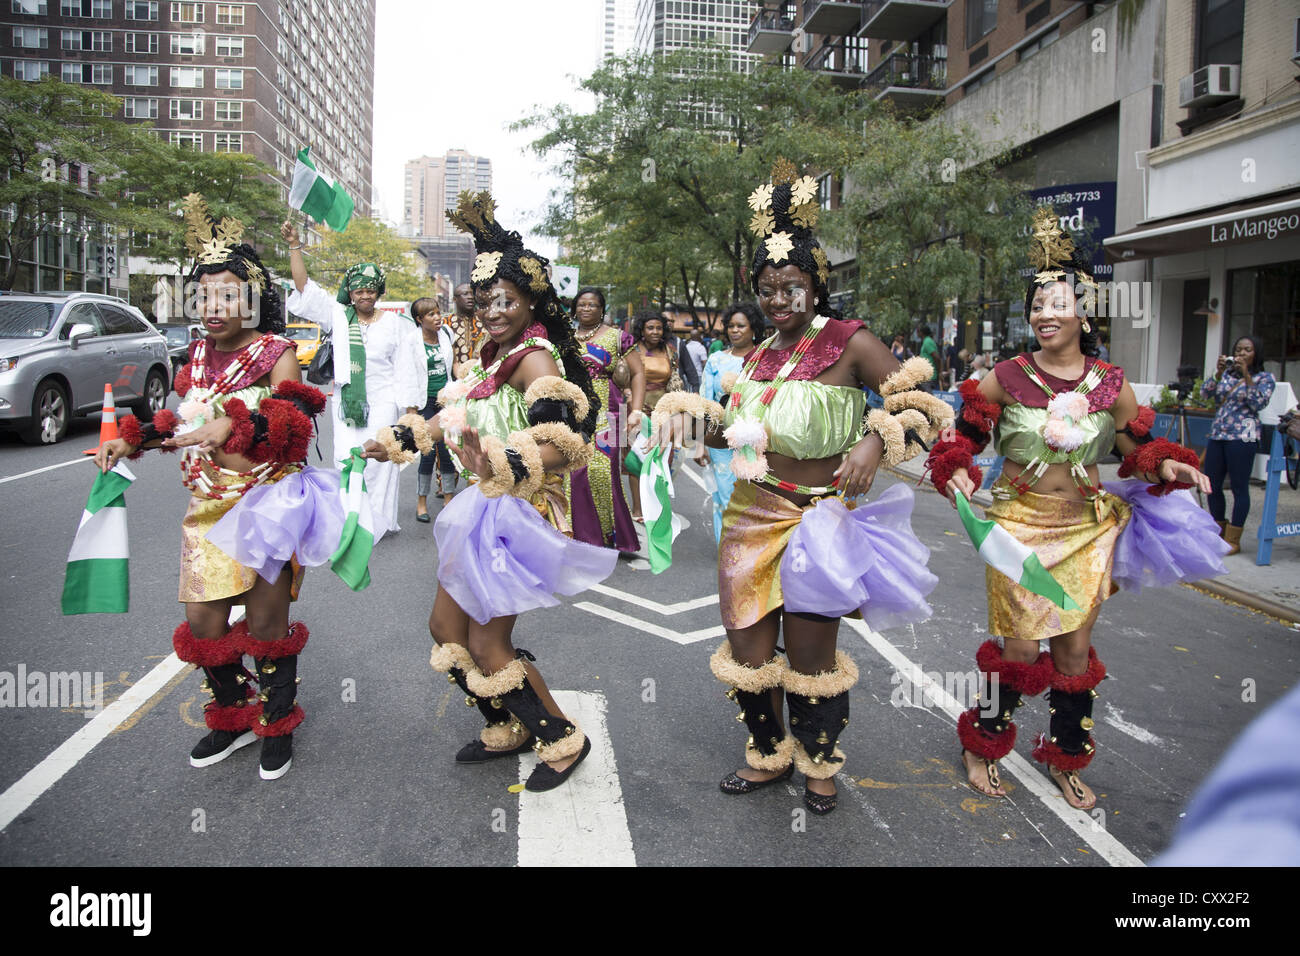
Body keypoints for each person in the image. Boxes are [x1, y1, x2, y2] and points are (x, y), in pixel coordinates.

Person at [673, 161, 952, 815]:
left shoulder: (850, 343)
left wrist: (874, 441)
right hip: (751, 513)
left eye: (791, 288)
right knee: (747, 651)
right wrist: (691, 424)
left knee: (809, 655)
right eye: (768, 289)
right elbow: (739, 438)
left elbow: (923, 409)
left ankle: (819, 762)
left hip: (818, 519)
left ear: (815, 286)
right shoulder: (757, 356)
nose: (778, 301)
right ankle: (767, 755)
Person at [927, 208, 1220, 811]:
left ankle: (1065, 758)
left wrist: (1170, 465)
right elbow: (965, 437)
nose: (1045, 314)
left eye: (1057, 303)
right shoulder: (1004, 377)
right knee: (1018, 649)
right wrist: (955, 463)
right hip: (1016, 526)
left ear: (1084, 311)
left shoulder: (1111, 383)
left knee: (1073, 654)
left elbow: (1137, 450)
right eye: (1036, 305)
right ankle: (982, 741)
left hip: (1087, 530)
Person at [362, 191, 615, 792]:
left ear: (532, 302)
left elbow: (566, 440)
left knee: (485, 637)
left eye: (508, 300)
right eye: (486, 301)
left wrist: (499, 455)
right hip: (483, 505)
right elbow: (447, 416)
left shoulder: (534, 359)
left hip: (519, 510)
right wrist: (398, 438)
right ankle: (507, 725)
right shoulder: (489, 357)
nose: (495, 311)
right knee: (445, 630)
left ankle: (559, 738)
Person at [95, 195, 331, 781]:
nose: (213, 305)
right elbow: (181, 419)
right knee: (203, 624)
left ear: (254, 297)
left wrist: (236, 424)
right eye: (204, 294)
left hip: (266, 505)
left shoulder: (277, 354)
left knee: (268, 627)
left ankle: (276, 724)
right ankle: (232, 717)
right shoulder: (197, 353)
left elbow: (291, 427)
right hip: (207, 506)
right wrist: (135, 438)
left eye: (228, 293)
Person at [280, 222, 425, 543]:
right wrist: (294, 245)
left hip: (384, 402)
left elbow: (405, 370)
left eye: (371, 290)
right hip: (347, 402)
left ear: (379, 292)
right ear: (351, 291)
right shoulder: (338, 316)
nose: (365, 295)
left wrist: (410, 413)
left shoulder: (395, 325)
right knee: (347, 458)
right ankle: (351, 518)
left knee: (378, 462)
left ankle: (379, 521)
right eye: (359, 290)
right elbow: (305, 288)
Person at [567, 285, 645, 553]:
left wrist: (635, 409)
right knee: (571, 471)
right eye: (581, 304)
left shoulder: (617, 337)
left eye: (592, 305)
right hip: (570, 411)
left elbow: (637, 373)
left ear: (601, 309)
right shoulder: (563, 336)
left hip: (607, 412)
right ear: (574, 307)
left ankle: (611, 535)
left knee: (601, 470)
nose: (586, 309)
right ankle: (577, 534)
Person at [693, 301, 765, 543]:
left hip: (759, 441)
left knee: (756, 499)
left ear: (753, 328)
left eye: (741, 326)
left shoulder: (766, 358)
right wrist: (700, 443)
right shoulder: (715, 360)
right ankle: (728, 549)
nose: (735, 330)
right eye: (731, 326)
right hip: (720, 440)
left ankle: (753, 548)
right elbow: (704, 402)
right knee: (725, 496)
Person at [1200, 334, 1275, 555]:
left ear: (1256, 354)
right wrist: (1219, 372)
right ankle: (1217, 532)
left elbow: (1258, 402)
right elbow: (1205, 394)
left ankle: (1234, 539)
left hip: (1244, 437)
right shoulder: (1226, 376)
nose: (1241, 353)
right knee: (1212, 486)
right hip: (1218, 434)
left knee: (1239, 487)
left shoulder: (1264, 378)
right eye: (1239, 349)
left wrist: (1246, 376)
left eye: (1247, 350)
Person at [628, 310, 687, 521]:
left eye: (659, 328)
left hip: (663, 412)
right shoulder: (633, 350)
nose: (655, 331)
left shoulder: (670, 351)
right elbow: (625, 378)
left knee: (662, 461)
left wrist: (678, 408)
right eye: (650, 327)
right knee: (637, 459)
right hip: (636, 410)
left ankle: (655, 506)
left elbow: (675, 381)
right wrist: (632, 402)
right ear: (642, 330)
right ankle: (637, 508)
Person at [412, 297, 459, 521]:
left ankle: (449, 499)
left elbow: (454, 365)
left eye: (438, 312)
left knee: (448, 449)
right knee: (428, 451)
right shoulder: (412, 341)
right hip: (424, 402)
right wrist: (411, 411)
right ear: (420, 319)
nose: (437, 317)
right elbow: (407, 373)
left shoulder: (446, 334)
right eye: (430, 314)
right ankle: (422, 502)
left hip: (446, 400)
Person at [445, 282, 487, 379]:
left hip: (481, 377)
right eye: (465, 294)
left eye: (472, 294)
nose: (470, 297)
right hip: (454, 380)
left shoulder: (486, 320)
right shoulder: (446, 324)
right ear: (454, 299)